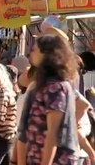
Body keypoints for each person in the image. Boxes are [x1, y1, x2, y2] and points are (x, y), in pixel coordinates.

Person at [19, 35, 80, 164]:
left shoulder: (55, 87)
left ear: (46, 54)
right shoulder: (43, 85)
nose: (31, 52)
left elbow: (53, 133)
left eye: (35, 49)